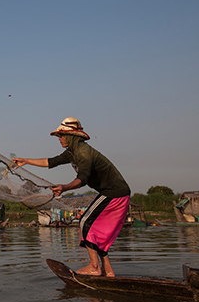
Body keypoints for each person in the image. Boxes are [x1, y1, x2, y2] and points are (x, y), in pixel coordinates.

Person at [12, 117, 131, 277]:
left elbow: (83, 179)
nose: (59, 139)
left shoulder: (83, 153)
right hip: (111, 193)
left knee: (85, 222)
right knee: (95, 230)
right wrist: (26, 161)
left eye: (61, 136)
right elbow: (51, 162)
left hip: (114, 192)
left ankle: (95, 267)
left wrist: (65, 187)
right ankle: (108, 270)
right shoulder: (72, 152)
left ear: (72, 136)